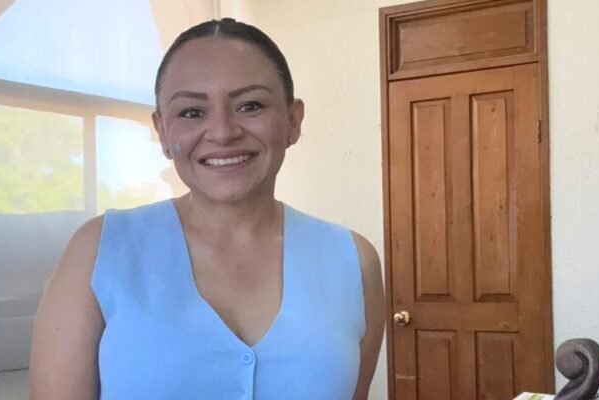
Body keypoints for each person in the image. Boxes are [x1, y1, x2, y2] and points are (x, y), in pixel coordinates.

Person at [29, 18, 384, 400]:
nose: (222, 132)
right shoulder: (100, 250)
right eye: (192, 112)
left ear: (293, 121)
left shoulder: (353, 261)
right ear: (162, 132)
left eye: (250, 105)